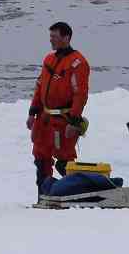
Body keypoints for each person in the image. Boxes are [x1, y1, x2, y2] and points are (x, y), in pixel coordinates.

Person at [27, 22, 90, 190]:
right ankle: (44, 196)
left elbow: (80, 94)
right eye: (50, 37)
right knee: (41, 159)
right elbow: (40, 86)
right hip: (44, 120)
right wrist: (32, 112)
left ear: (66, 37)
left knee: (64, 163)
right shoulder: (49, 59)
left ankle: (77, 192)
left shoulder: (78, 63)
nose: (51, 40)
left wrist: (74, 121)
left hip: (63, 121)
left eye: (54, 37)